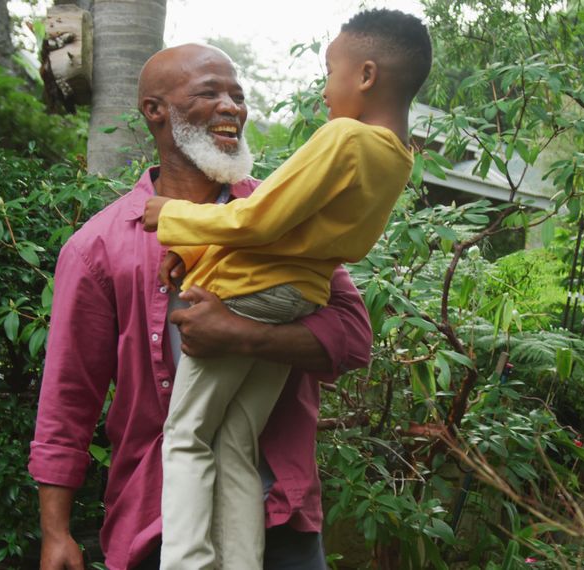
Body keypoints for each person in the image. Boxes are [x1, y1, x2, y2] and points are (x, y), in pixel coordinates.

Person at [29, 43, 374, 570]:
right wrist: (55, 532)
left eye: (237, 95)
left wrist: (240, 334)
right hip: (156, 523)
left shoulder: (285, 213)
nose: (232, 107)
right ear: (155, 110)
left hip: (279, 517)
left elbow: (353, 338)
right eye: (209, 93)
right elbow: (68, 399)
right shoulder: (97, 248)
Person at [141, 9, 432, 570]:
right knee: (234, 442)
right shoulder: (397, 158)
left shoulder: (346, 136)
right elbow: (300, 234)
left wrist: (170, 216)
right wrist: (196, 249)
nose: (325, 89)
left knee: (185, 436)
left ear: (366, 76)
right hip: (296, 300)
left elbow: (259, 222)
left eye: (331, 72)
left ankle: (187, 563)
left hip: (247, 290)